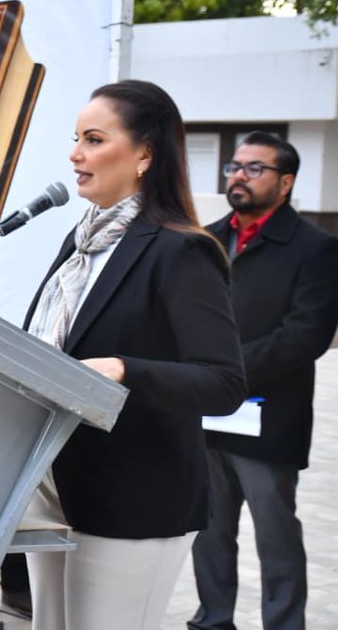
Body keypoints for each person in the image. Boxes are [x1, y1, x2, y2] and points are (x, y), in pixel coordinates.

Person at [22, 80, 246, 630]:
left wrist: (125, 370)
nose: (75, 154)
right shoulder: (81, 243)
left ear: (145, 154)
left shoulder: (181, 250)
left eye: (94, 140)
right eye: (76, 139)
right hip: (52, 482)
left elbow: (222, 383)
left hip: (133, 495)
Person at [189, 132, 338, 630]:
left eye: (255, 168)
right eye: (234, 166)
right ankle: (212, 620)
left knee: (275, 535)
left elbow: (304, 336)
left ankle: (284, 623)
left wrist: (226, 370)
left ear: (286, 181)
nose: (239, 176)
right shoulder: (205, 240)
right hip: (207, 412)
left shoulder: (316, 249)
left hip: (268, 418)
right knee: (209, 530)